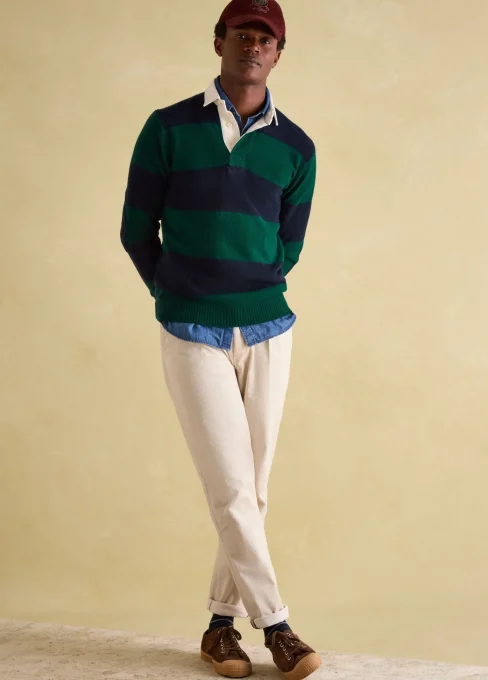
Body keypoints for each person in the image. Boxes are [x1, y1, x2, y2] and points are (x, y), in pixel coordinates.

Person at [121, 0, 319, 677]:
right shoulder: (168, 128)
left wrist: (247, 285)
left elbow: (288, 245)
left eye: (266, 38)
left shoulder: (297, 148)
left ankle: (218, 628)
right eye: (242, 34)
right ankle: (278, 626)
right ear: (219, 41)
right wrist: (177, 292)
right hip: (191, 329)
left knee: (253, 492)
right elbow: (135, 230)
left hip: (267, 328)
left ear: (278, 54)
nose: (253, 45)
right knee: (232, 488)